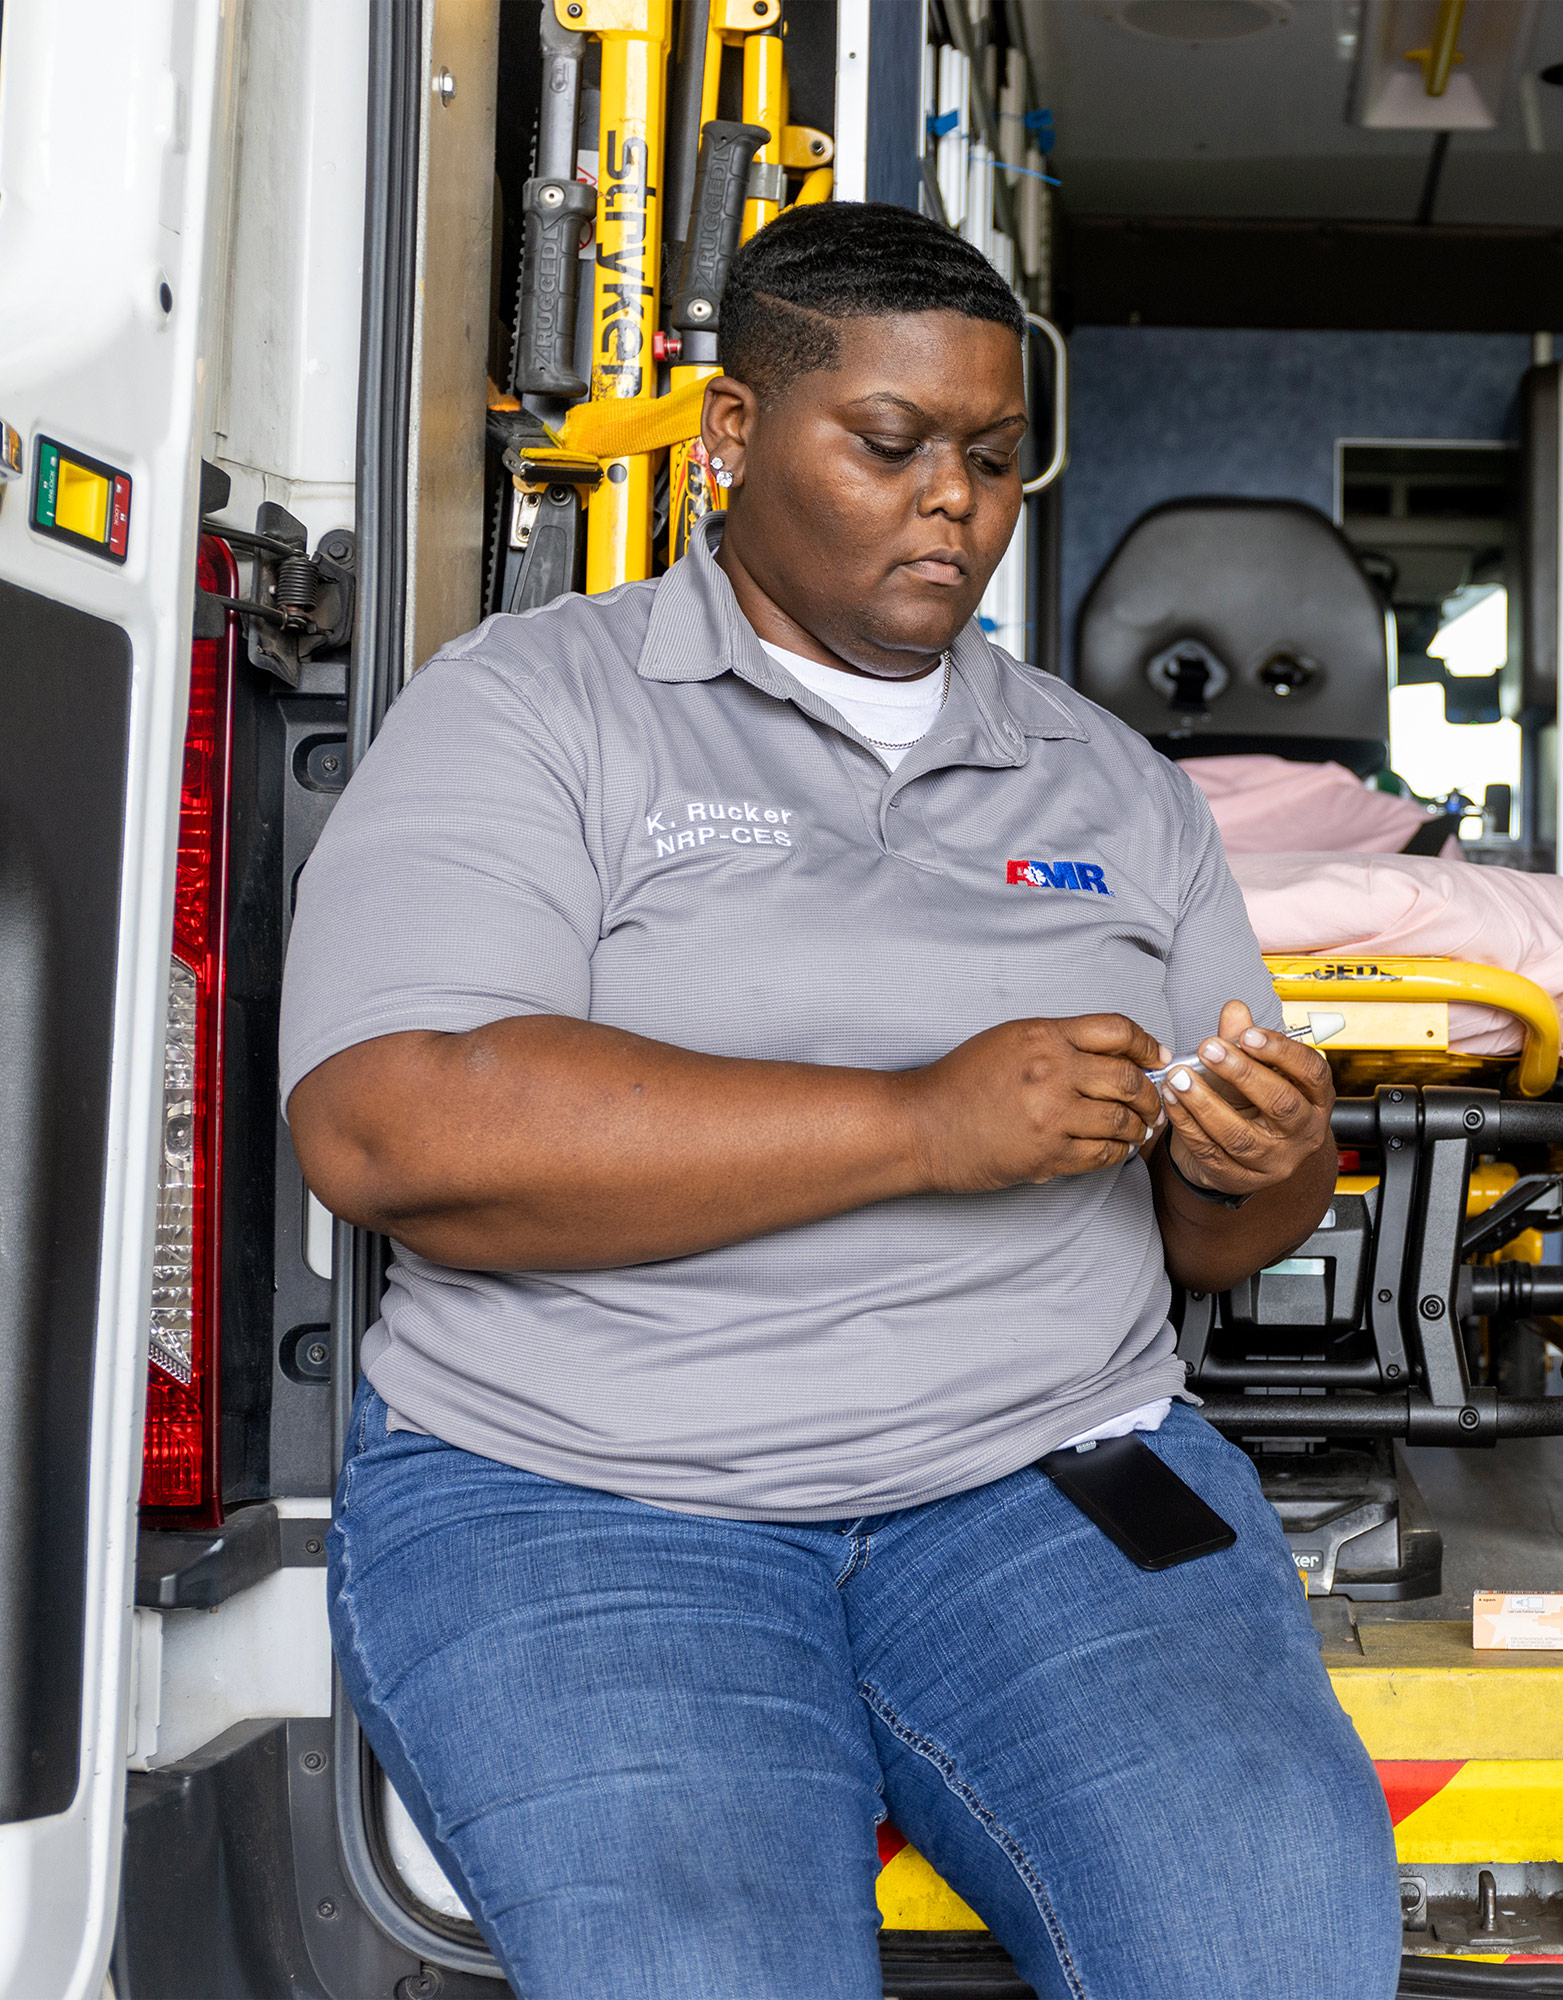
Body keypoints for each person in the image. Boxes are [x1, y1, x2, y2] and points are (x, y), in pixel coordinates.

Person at [282, 202, 1401, 2000]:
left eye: (993, 459)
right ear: (734, 439)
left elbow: (1226, 1239)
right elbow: (394, 1127)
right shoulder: (536, 709)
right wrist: (922, 1125)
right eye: (890, 446)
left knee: (1271, 1949)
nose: (952, 502)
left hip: (1054, 1473)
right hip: (584, 1492)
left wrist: (1269, 1159)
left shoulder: (1116, 788)